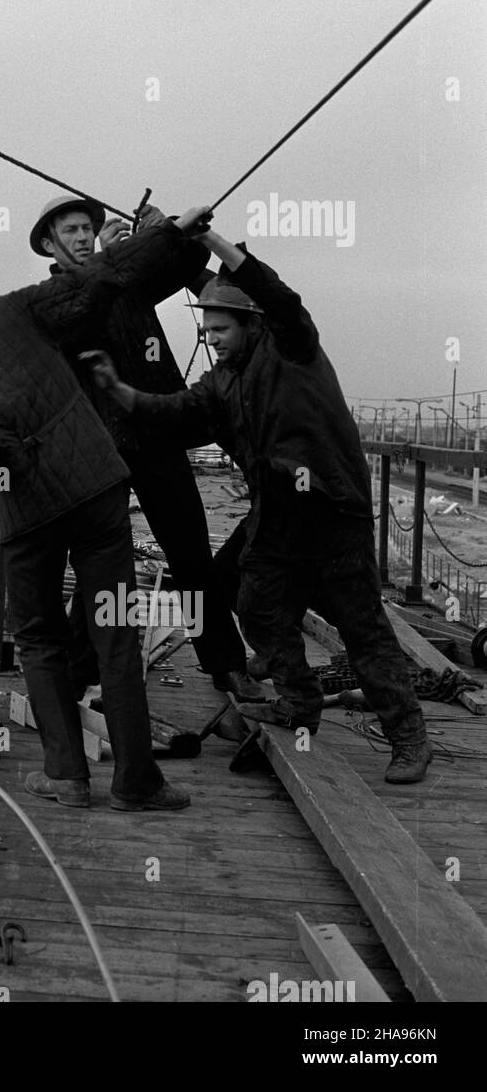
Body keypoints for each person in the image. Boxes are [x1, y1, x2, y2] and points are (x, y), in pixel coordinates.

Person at [84, 218, 432, 784]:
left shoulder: (291, 346)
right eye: (207, 331)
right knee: (259, 608)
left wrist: (206, 244)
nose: (212, 338)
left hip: (332, 511)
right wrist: (119, 390)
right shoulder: (220, 384)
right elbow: (174, 414)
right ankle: (298, 703)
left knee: (361, 627)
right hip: (275, 516)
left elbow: (274, 292)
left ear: (251, 323)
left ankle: (408, 735)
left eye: (221, 328)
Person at [0, 207, 215, 812]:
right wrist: (172, 234)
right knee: (118, 636)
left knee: (41, 641)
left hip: (24, 514)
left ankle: (67, 777)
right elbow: (103, 277)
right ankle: (137, 783)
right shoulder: (14, 310)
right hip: (93, 487)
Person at [29, 194, 262, 700]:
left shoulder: (128, 278)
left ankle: (226, 666)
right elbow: (94, 287)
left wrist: (171, 230)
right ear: (48, 244)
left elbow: (185, 262)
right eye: (69, 231)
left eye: (86, 228)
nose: (82, 236)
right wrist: (137, 248)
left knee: (192, 557)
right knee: (101, 568)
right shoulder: (56, 296)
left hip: (155, 436)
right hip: (99, 450)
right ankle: (78, 672)